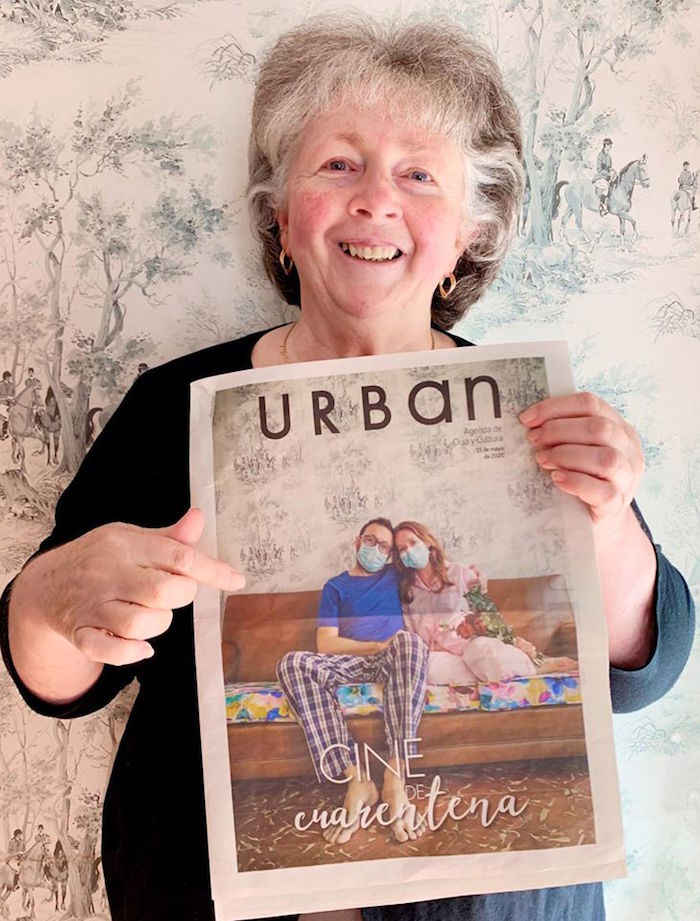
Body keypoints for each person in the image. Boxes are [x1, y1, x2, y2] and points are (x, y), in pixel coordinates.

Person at [0, 15, 694, 921]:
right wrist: (49, 598)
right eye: (338, 165)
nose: (375, 200)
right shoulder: (173, 406)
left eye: (419, 174)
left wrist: (604, 515)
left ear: (469, 235)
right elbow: (56, 685)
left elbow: (643, 671)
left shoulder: (535, 415)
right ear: (282, 217)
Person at [277, 518, 428, 844]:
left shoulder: (395, 576)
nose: (377, 550)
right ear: (358, 542)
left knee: (410, 643)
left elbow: (430, 563)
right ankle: (357, 779)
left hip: (391, 661)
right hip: (348, 662)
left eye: (385, 547)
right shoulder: (335, 587)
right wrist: (376, 645)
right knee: (293, 662)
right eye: (371, 541)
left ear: (391, 555)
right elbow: (326, 643)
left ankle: (395, 777)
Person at [393, 521, 576, 686]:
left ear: (427, 542)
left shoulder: (459, 572)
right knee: (427, 666)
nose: (409, 551)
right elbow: (412, 633)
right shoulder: (407, 591)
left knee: (482, 653)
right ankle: (499, 672)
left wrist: (513, 641)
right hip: (444, 657)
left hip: (472, 646)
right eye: (402, 549)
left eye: (413, 543)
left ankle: (531, 666)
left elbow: (487, 614)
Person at [592, 138, 616, 216]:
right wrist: (607, 174)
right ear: (606, 145)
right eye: (610, 145)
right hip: (600, 176)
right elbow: (599, 169)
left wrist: (612, 171)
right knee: (606, 187)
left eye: (611, 145)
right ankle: (602, 207)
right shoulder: (600, 155)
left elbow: (610, 167)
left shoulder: (609, 156)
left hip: (607, 176)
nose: (611, 147)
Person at [0, 370, 14, 440]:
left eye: (10, 377)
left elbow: (13, 393)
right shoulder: (1, 384)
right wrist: (5, 398)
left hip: (10, 404)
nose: (9, 378)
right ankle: (4, 431)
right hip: (2, 403)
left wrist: (12, 398)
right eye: (8, 377)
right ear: (5, 377)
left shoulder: (12, 384)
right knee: (6, 416)